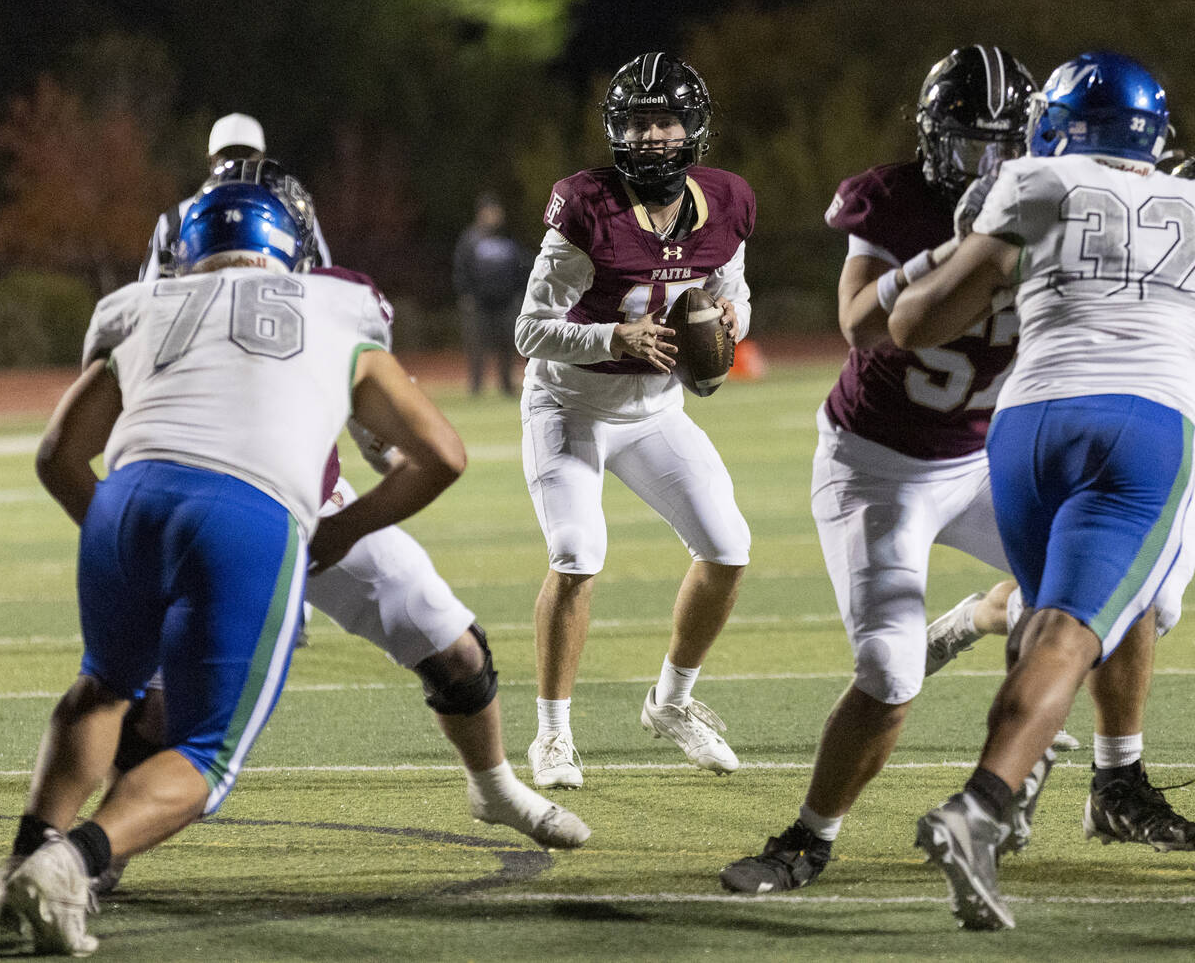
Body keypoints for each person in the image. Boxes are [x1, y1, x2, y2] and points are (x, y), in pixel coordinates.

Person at [0, 182, 586, 956]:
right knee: (204, 750)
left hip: (130, 498)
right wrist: (336, 534)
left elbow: (57, 456)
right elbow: (443, 454)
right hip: (253, 510)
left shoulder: (139, 306)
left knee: (104, 685)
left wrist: (117, 535)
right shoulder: (337, 306)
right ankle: (72, 862)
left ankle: (23, 862)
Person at [719, 44, 1189, 899]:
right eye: (967, 141)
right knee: (892, 672)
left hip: (987, 453)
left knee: (1143, 599)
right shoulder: (897, 199)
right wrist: (961, 246)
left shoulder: (1050, 187)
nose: (984, 161)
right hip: (881, 464)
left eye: (998, 143)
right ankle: (807, 839)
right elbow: (865, 325)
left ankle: (1115, 776)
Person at [888, 51, 1195, 930]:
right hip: (1140, 425)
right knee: (1068, 632)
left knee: (1052, 628)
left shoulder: (1035, 178)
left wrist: (941, 259)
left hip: (1024, 429)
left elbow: (916, 323)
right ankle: (982, 804)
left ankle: (1054, 788)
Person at [516, 52, 753, 789]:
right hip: (572, 406)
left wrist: (735, 320)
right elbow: (529, 331)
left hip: (654, 412)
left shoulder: (728, 201)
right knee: (578, 552)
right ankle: (552, 734)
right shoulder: (586, 204)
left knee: (728, 547)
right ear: (617, 130)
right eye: (639, 124)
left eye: (665, 122)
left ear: (693, 129)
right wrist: (610, 338)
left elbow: (730, 288)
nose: (652, 138)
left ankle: (671, 704)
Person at [137, 112, 331, 280]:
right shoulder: (173, 220)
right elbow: (326, 282)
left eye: (246, 155)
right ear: (210, 161)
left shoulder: (177, 217)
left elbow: (146, 295)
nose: (238, 163)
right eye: (229, 155)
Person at [453, 193, 531, 395]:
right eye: (491, 211)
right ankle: (476, 387)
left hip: (505, 302)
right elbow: (461, 268)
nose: (495, 215)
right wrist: (466, 295)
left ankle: (506, 385)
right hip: (479, 304)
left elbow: (521, 268)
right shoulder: (470, 239)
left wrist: (520, 294)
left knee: (507, 344)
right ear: (481, 213)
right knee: (477, 346)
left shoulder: (508, 238)